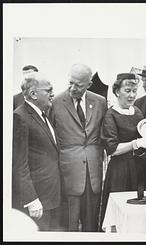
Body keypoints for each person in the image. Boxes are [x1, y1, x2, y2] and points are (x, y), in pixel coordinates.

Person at [49, 64, 107, 232]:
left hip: (93, 174)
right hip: (68, 173)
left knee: (91, 225)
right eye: (70, 82)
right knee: (70, 225)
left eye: (79, 85)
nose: (73, 88)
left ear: (89, 84)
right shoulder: (55, 102)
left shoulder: (100, 102)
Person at [100, 73, 146, 231]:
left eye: (134, 91)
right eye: (127, 90)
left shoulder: (138, 112)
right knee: (121, 214)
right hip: (121, 171)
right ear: (117, 91)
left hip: (140, 170)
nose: (132, 95)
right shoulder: (110, 115)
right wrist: (136, 143)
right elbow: (112, 149)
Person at [12, 72, 61, 231]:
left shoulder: (43, 115)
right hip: (38, 201)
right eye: (48, 90)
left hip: (51, 197)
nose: (52, 94)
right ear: (33, 94)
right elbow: (20, 164)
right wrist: (31, 199)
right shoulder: (20, 117)